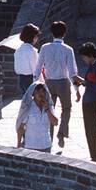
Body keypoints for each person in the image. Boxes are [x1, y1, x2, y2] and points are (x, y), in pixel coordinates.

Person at [37, 20, 77, 149]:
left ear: (51, 33)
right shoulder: (68, 49)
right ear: (64, 33)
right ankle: (62, 132)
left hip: (48, 82)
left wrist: (36, 84)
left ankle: (49, 136)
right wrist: (76, 88)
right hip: (63, 82)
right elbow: (72, 71)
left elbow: (38, 68)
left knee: (49, 110)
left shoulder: (44, 47)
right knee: (66, 108)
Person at [75, 41, 96, 162]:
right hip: (88, 101)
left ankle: (95, 156)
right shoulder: (92, 66)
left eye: (84, 57)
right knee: (88, 130)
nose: (83, 59)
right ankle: (93, 154)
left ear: (90, 55)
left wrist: (83, 82)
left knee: (93, 130)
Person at [16, 81, 59, 151]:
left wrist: (47, 109)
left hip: (46, 145)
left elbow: (55, 123)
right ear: (33, 93)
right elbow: (21, 127)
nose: (40, 94)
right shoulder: (28, 107)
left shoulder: (49, 106)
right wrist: (18, 144)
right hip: (31, 146)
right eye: (37, 92)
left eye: (42, 91)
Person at [14, 22, 41, 95]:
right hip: (31, 79)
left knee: (25, 98)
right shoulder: (32, 51)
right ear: (34, 37)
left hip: (21, 78)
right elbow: (35, 69)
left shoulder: (18, 50)